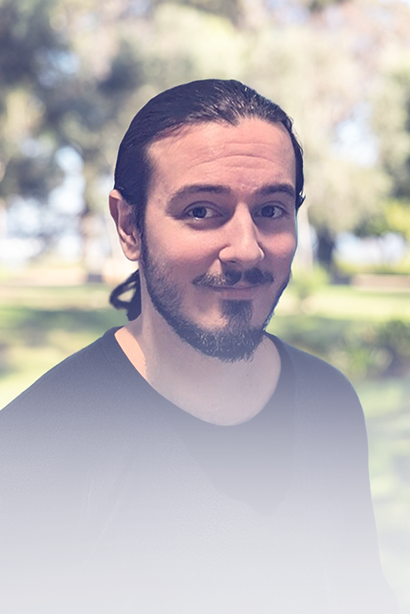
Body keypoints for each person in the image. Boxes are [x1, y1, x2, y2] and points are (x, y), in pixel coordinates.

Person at [0, 79, 399, 614]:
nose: (246, 249)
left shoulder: (329, 402)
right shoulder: (30, 454)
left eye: (271, 209)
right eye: (202, 211)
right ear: (129, 226)